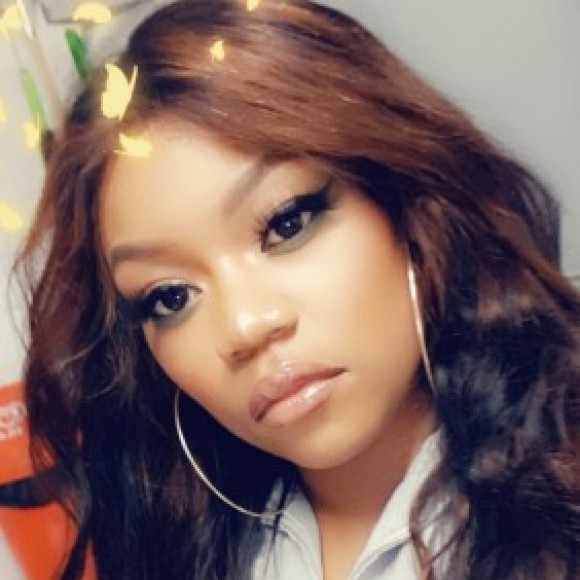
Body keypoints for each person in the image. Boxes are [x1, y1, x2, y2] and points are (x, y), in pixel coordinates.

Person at [15, 0, 580, 578]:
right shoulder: (188, 549)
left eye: (286, 224)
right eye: (171, 297)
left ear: (404, 200)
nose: (245, 327)